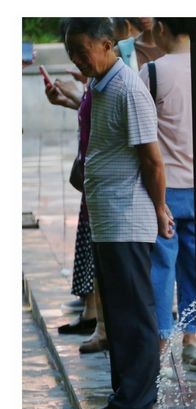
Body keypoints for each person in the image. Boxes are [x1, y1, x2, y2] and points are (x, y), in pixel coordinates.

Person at [64, 18, 174, 409]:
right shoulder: (99, 85)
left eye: (82, 49)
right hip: (107, 218)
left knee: (135, 315)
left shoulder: (128, 88)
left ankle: (139, 406)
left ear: (108, 44)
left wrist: (161, 208)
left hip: (128, 217)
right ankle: (123, 398)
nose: (76, 58)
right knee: (119, 314)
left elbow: (152, 159)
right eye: (71, 51)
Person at [139, 17, 196, 369]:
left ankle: (162, 342)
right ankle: (193, 336)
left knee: (161, 266)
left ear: (161, 28)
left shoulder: (153, 72)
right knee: (195, 265)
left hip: (165, 189)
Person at [43, 41, 106, 351]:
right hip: (92, 173)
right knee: (89, 242)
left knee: (99, 247)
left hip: (105, 177)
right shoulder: (98, 78)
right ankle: (92, 314)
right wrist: (72, 97)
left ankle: (99, 321)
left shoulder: (124, 69)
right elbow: (90, 109)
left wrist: (76, 94)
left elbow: (104, 112)